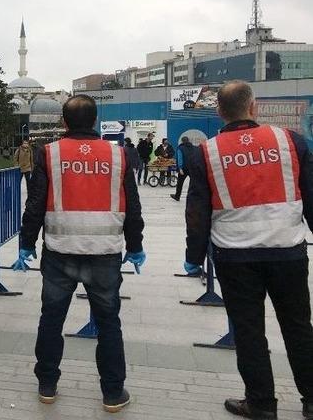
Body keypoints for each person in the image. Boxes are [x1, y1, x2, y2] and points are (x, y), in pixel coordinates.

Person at [184, 81, 313, 420]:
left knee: (249, 330)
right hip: (288, 251)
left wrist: (193, 256)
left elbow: (198, 209)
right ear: (253, 107)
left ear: (219, 112)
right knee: (299, 327)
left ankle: (262, 404)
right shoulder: (290, 142)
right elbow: (310, 193)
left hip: (235, 256)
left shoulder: (207, 152)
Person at [14, 94, 145, 413]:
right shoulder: (118, 155)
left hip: (60, 253)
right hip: (105, 253)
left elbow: (35, 203)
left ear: (64, 121)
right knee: (109, 323)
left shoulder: (50, 153)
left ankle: (47, 384)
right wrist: (136, 245)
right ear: (96, 121)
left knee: (52, 319)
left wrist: (26, 243)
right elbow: (133, 204)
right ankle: (113, 392)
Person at [170, 136, 195, 201]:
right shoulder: (193, 147)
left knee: (180, 183)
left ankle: (177, 196)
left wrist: (180, 168)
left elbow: (180, 158)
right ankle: (194, 197)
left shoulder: (180, 148)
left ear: (182, 141)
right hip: (192, 167)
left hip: (184, 169)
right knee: (194, 183)